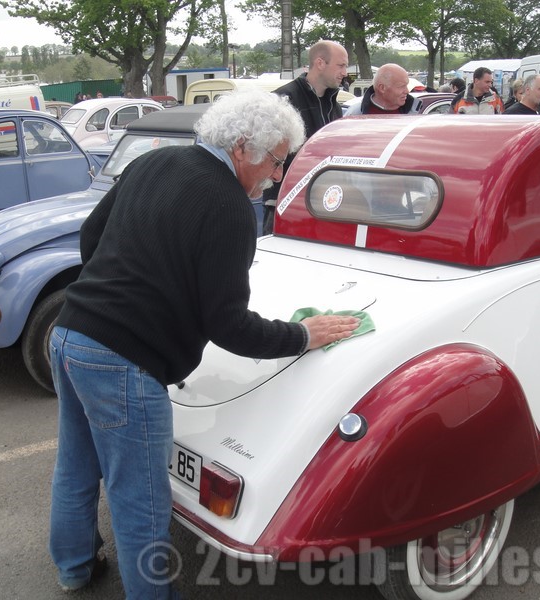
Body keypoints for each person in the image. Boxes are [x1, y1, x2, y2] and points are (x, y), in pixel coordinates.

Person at [47, 89, 359, 599]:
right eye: (277, 162)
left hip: (71, 331)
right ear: (242, 147)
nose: (277, 176)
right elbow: (230, 326)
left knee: (77, 464)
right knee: (140, 501)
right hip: (124, 360)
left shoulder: (155, 164)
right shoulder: (230, 208)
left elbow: (91, 236)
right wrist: (303, 334)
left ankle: (74, 569)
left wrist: (121, 286)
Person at [262, 40, 348, 235]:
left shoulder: (333, 105)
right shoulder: (283, 99)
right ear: (320, 63)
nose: (345, 72)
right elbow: (267, 152)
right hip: (283, 202)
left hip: (324, 202)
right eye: (341, 65)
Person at [344, 63, 418, 116]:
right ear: (382, 88)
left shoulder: (418, 112)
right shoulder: (355, 115)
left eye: (406, 85)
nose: (407, 91)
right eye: (401, 86)